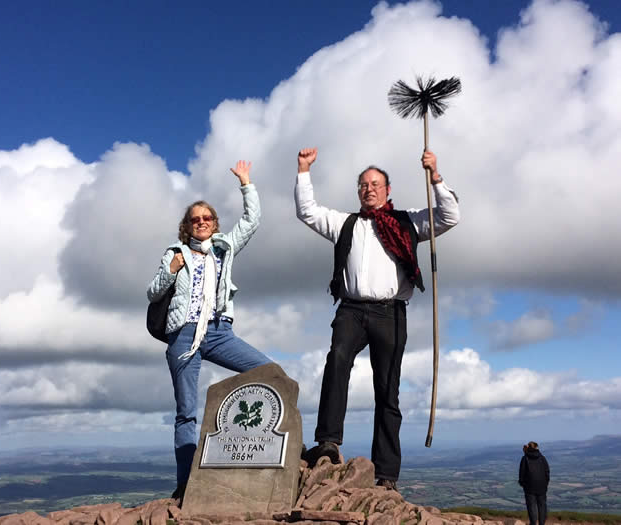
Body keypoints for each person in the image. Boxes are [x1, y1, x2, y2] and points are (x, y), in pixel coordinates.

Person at [294, 147, 460, 490]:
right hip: (351, 309)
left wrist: (436, 178)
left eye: (375, 184)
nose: (369, 188)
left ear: (387, 191)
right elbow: (307, 212)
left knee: (388, 390)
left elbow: (449, 217)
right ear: (359, 192)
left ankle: (386, 474)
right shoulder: (346, 224)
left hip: (390, 312)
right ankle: (328, 441)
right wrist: (304, 170)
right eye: (363, 185)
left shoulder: (408, 221)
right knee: (337, 359)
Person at [147, 160, 272, 499]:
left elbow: (252, 221)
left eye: (207, 218)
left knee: (269, 372)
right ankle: (186, 485)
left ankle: (258, 446)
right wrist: (171, 270)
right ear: (186, 226)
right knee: (186, 413)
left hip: (219, 331)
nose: (201, 222)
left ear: (215, 224)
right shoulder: (175, 254)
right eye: (195, 219)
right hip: (183, 335)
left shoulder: (223, 249)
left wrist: (246, 183)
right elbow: (153, 292)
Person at [519, 441, 550, 525]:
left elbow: (521, 474)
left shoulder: (525, 458)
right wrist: (546, 483)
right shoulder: (542, 458)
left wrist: (523, 484)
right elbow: (547, 472)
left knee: (531, 506)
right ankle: (542, 523)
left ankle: (533, 523)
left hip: (529, 487)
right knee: (542, 506)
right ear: (537, 448)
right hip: (542, 486)